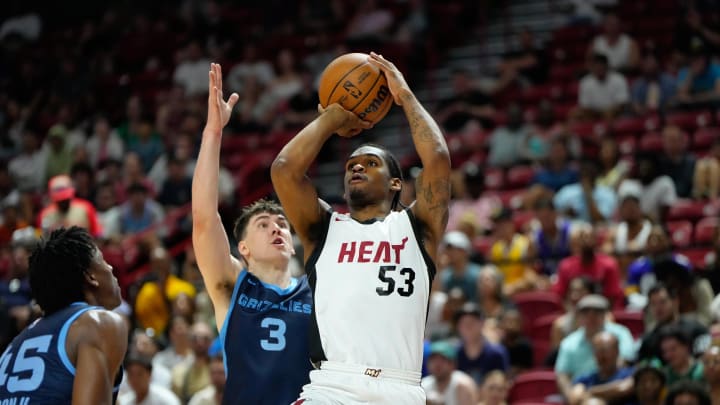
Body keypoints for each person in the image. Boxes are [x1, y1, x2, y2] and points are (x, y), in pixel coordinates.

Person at [272, 52, 451, 404]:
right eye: (351, 165)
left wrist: (406, 97)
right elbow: (284, 169)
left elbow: (438, 159)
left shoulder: (418, 228)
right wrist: (333, 116)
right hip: (332, 386)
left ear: (396, 184)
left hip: (401, 388)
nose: (357, 168)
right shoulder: (323, 228)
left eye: (370, 163)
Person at [192, 63, 312, 404]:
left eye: (281, 224)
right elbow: (203, 218)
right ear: (242, 247)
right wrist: (213, 132)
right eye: (264, 224)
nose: (277, 227)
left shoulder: (316, 289)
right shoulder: (233, 285)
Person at [0, 226, 127, 404]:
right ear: (90, 276)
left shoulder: (13, 347)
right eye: (103, 261)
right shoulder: (98, 323)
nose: (111, 267)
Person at [421, 340, 477, 405]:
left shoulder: (462, 385)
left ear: (453, 364)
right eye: (433, 359)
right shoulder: (423, 385)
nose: (437, 364)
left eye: (442, 359)